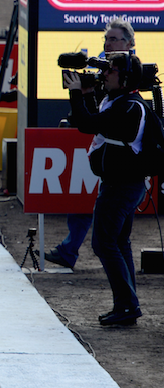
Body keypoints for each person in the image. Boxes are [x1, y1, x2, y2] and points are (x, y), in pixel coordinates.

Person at [45, 17, 136, 269]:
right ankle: (69, 249)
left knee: (113, 239)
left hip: (123, 161)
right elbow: (91, 118)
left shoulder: (133, 74)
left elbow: (100, 119)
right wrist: (84, 96)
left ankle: (71, 250)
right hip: (102, 150)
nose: (108, 43)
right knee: (83, 201)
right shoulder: (102, 71)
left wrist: (81, 98)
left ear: (129, 43)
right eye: (106, 39)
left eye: (114, 39)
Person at [64, 52, 147, 326]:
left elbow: (86, 125)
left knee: (103, 243)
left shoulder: (128, 107)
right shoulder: (121, 101)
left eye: (110, 71)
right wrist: (86, 93)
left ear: (124, 78)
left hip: (121, 187)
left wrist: (76, 92)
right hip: (123, 184)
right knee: (119, 242)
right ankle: (127, 304)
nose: (104, 74)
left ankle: (127, 305)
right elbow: (89, 121)